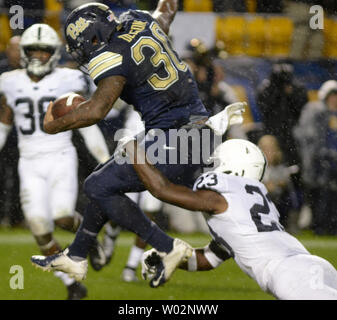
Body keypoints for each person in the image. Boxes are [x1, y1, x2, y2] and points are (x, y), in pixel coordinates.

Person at [30, 0, 222, 283]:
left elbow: (96, 110)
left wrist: (52, 125)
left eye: (82, 45)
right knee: (102, 182)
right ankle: (77, 256)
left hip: (181, 136)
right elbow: (167, 9)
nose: (83, 53)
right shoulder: (140, 20)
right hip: (189, 130)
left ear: (94, 36)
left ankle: (167, 247)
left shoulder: (112, 55)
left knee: (97, 186)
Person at [124, 138, 337, 299]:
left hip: (289, 274)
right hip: (315, 266)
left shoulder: (221, 198)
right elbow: (207, 260)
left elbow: (162, 189)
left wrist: (132, 148)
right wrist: (168, 256)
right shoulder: (243, 210)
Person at [0, 23, 111, 299]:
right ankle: (72, 285)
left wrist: (105, 159)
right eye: (33, 50)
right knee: (39, 228)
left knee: (62, 216)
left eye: (44, 51)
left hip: (60, 154)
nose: (38, 56)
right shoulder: (9, 82)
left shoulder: (68, 79)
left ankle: (90, 238)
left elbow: (86, 122)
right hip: (28, 160)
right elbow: (4, 123)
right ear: (24, 52)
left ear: (55, 53)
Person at [294, 80, 337, 235]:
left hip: (332, 163)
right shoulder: (315, 111)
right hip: (320, 163)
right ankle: (320, 226)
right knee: (321, 196)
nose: (335, 99)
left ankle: (331, 226)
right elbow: (309, 138)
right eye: (332, 96)